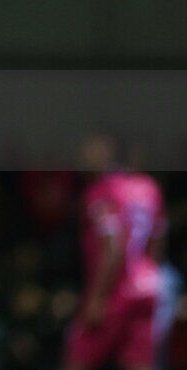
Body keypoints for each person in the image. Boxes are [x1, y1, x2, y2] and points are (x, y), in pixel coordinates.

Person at [62, 134, 166, 370]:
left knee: (78, 358)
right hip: (147, 287)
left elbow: (113, 247)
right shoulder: (149, 188)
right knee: (138, 362)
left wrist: (97, 297)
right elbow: (156, 239)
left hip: (115, 291)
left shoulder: (101, 192)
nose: (84, 156)